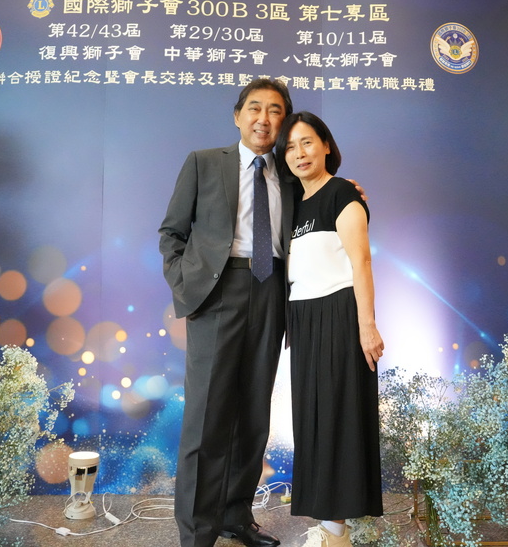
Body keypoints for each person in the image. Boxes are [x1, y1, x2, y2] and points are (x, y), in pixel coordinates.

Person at [158, 78, 293, 547]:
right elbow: (172, 233)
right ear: (238, 116)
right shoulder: (203, 162)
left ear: (284, 121)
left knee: (254, 414)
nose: (264, 119)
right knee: (207, 416)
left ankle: (237, 515)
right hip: (219, 290)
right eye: (255, 108)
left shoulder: (290, 172)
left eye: (275, 111)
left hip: (272, 290)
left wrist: (352, 194)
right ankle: (198, 531)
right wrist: (187, 286)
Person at [274, 112, 384, 547]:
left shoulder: (341, 194)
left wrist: (367, 326)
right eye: (290, 147)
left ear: (325, 146)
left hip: (338, 316)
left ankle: (335, 532)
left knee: (338, 417)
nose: (299, 153)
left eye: (307, 142)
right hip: (304, 321)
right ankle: (330, 525)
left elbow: (362, 262)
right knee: (313, 421)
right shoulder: (293, 204)